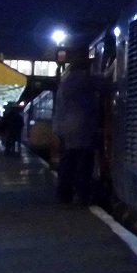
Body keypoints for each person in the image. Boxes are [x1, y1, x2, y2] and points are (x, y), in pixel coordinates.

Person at [53, 58, 108, 204]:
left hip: (66, 128)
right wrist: (110, 71)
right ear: (84, 69)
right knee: (83, 164)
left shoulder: (66, 81)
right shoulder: (81, 79)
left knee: (67, 163)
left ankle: (64, 194)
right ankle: (82, 195)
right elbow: (104, 85)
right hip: (79, 130)